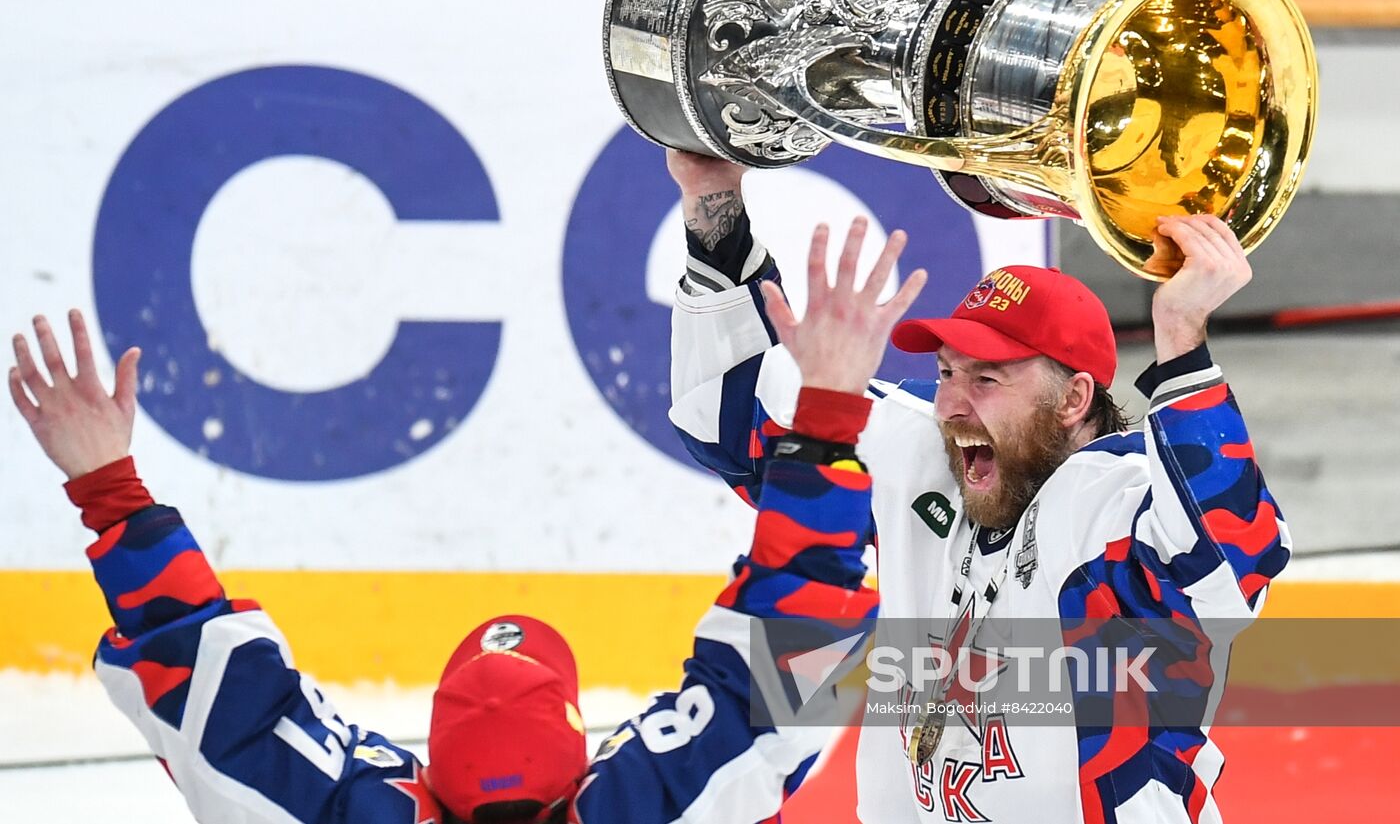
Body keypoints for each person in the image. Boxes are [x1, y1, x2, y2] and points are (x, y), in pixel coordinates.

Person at [7, 224, 922, 824]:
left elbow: (218, 700)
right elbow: (799, 651)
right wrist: (830, 410)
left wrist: (110, 487)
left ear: (426, 777)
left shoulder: (358, 810)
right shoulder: (650, 803)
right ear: (580, 773)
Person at [665, 149, 1291, 824]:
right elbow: (724, 417)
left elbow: (1232, 563)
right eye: (945, 372)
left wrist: (1183, 339)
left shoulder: (1108, 503)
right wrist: (713, 201)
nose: (950, 405)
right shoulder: (923, 457)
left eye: (986, 378)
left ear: (1075, 397)